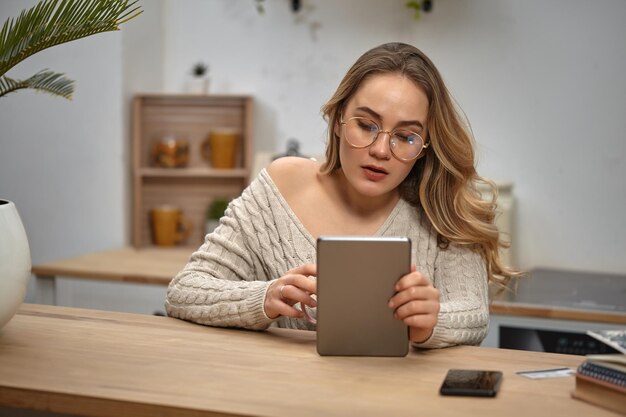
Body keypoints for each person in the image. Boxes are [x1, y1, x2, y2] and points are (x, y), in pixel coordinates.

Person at [165, 42, 518, 348]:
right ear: (338, 120)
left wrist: (432, 321)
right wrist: (265, 297)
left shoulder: (443, 207)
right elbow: (185, 292)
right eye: (367, 125)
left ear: (424, 147)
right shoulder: (280, 187)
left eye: (405, 136)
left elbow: (473, 317)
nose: (381, 150)